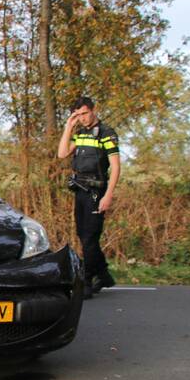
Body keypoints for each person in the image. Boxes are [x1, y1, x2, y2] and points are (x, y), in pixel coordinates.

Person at [57, 96, 120, 299]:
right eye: (78, 115)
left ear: (93, 109)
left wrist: (108, 195)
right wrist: (69, 126)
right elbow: (62, 153)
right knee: (82, 234)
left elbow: (116, 167)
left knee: (90, 237)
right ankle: (103, 275)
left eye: (84, 113)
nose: (82, 118)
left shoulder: (106, 133)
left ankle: (87, 279)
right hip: (80, 191)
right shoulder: (80, 133)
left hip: (97, 191)